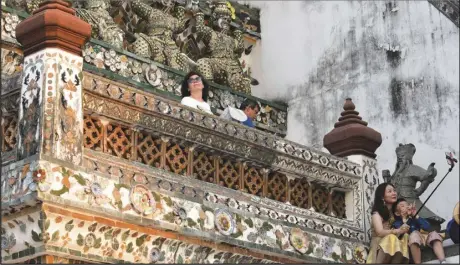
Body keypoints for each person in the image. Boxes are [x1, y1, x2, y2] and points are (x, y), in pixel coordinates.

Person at [366, 183, 410, 264]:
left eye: (394, 191)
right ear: (382, 196)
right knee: (391, 237)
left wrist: (405, 219)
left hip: (392, 245)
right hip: (379, 246)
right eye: (389, 191)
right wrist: (397, 231)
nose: (394, 193)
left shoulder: (394, 213)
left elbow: (402, 228)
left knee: (405, 236)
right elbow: (379, 232)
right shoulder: (377, 213)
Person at [392, 198, 446, 264]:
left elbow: (427, 227)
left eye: (407, 205)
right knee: (414, 234)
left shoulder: (414, 218)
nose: (406, 206)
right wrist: (404, 218)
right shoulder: (397, 223)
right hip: (410, 244)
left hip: (422, 240)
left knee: (434, 234)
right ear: (397, 213)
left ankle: (443, 261)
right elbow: (402, 233)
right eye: (402, 206)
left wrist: (415, 215)